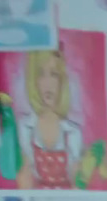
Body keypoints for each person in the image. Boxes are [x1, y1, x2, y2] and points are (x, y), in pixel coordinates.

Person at [14, 49, 84, 190]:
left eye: (54, 74)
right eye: (41, 74)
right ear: (33, 80)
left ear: (62, 81)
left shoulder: (72, 132)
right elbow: (24, 178)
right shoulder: (26, 128)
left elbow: (78, 182)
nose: (48, 83)